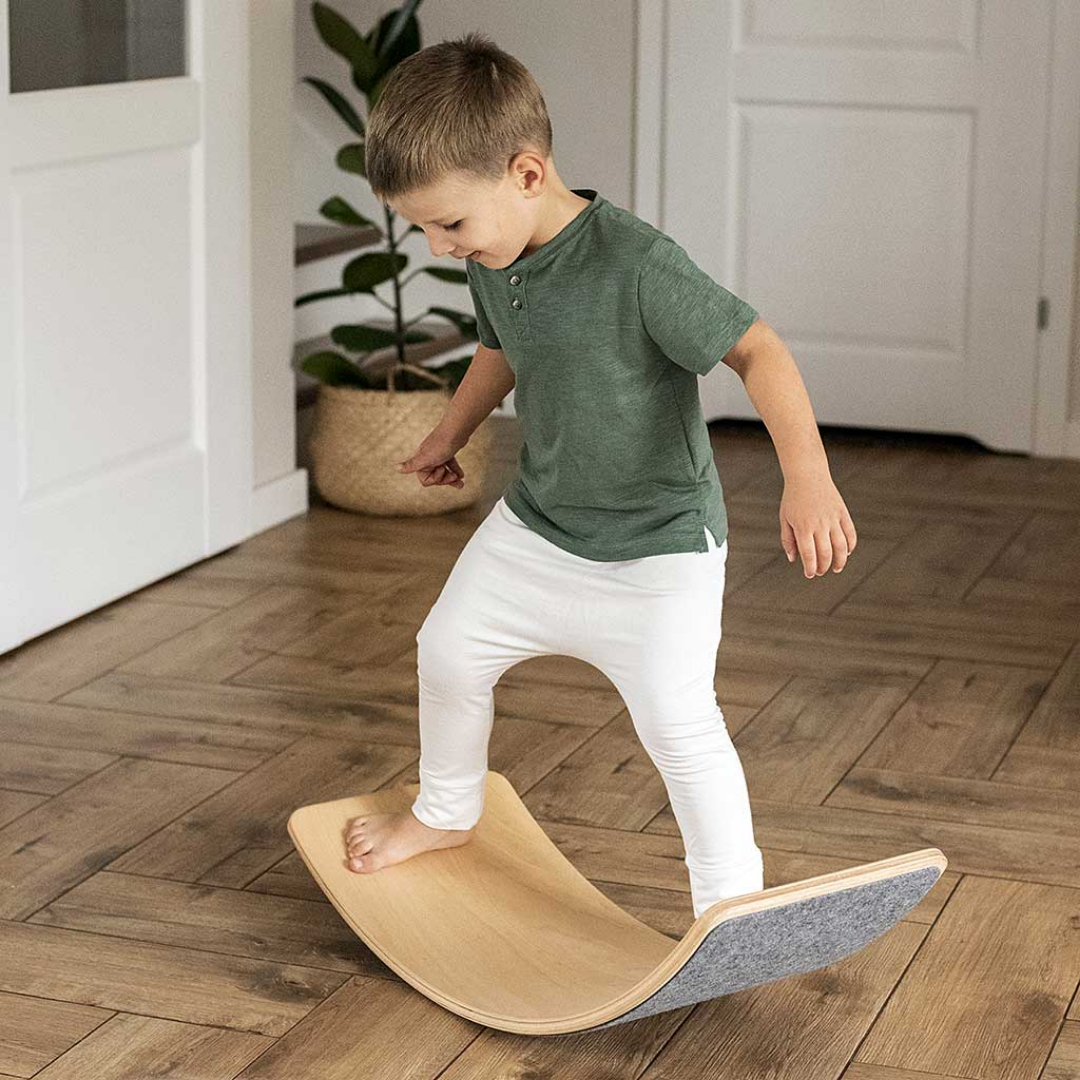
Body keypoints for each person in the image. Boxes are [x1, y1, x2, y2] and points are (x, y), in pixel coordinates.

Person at [341, 31, 857, 919]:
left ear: (527, 174)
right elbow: (501, 351)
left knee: (676, 723)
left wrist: (808, 478)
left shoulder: (635, 262)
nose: (435, 246)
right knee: (448, 653)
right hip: (540, 524)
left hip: (658, 548)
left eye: (448, 223)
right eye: (420, 226)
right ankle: (446, 811)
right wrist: (448, 434)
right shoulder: (494, 254)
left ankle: (731, 907)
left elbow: (758, 349)